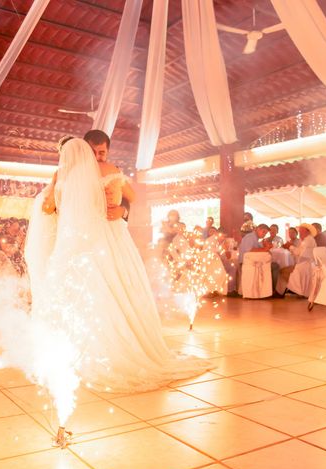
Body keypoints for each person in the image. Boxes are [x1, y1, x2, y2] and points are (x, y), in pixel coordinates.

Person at [26, 138, 209, 393]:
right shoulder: (79, 174)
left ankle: (86, 351)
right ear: (86, 149)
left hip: (86, 241)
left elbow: (128, 199)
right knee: (99, 290)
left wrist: (122, 210)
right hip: (89, 240)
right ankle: (83, 350)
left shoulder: (85, 173)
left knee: (102, 289)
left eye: (103, 152)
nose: (99, 156)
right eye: (95, 151)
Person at [83, 130, 133, 222]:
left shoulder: (113, 172)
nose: (96, 157)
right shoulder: (76, 172)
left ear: (107, 152)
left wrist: (122, 211)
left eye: (101, 153)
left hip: (110, 226)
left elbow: (131, 197)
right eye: (92, 152)